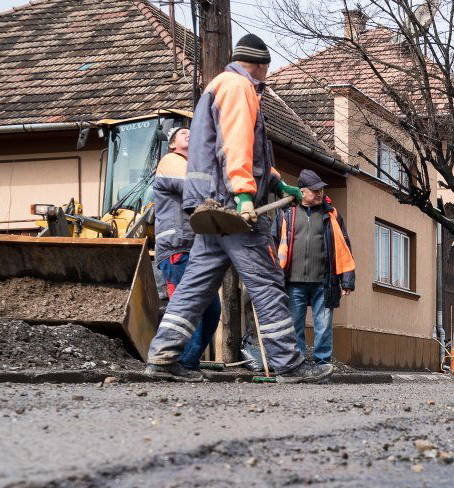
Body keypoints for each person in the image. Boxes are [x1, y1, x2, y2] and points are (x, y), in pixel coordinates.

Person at [143, 33, 329, 383]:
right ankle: (289, 364)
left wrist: (277, 183)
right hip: (233, 208)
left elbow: (230, 152)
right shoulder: (238, 87)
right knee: (266, 282)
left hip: (211, 209)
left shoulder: (216, 87)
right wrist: (244, 195)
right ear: (260, 65)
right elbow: (235, 144)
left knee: (194, 286)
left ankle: (163, 357)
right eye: (267, 69)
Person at [152, 127, 221, 371]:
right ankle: (180, 363)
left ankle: (189, 362)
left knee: (212, 309)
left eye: (193, 132)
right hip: (177, 247)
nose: (190, 134)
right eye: (183, 133)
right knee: (190, 306)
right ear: (172, 144)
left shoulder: (195, 167)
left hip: (196, 248)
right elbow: (195, 189)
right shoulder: (171, 161)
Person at [273, 169, 356, 367]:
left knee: (324, 325)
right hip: (293, 282)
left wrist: (347, 279)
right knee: (295, 325)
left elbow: (344, 247)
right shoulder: (286, 215)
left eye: (321, 189)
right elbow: (274, 244)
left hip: (324, 281)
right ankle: (298, 364)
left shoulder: (331, 215)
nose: (320, 193)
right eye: (315, 190)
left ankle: (322, 364)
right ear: (302, 192)